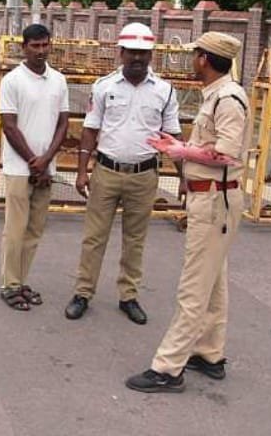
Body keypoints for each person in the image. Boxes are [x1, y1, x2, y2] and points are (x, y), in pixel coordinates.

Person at [126, 31, 249, 393]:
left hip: (215, 200)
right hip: (212, 197)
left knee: (194, 286)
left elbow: (226, 153)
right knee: (213, 282)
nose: (193, 60)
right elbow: (211, 147)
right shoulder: (218, 94)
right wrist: (181, 146)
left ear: (205, 59)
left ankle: (168, 367)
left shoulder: (227, 99)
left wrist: (182, 153)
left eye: (195, 54)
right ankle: (210, 353)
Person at [65, 22, 181, 325]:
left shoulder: (165, 92)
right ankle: (83, 293)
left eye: (144, 53)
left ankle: (128, 296)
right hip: (106, 171)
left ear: (151, 55)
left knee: (135, 239)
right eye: (132, 53)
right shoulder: (104, 86)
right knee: (94, 237)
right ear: (121, 53)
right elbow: (90, 131)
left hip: (144, 175)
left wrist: (184, 179)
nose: (138, 59)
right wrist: (81, 171)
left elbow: (172, 139)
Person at [0, 23, 70, 311]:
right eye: (35, 46)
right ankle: (10, 284)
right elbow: (9, 126)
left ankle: (21, 280)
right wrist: (33, 161)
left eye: (45, 45)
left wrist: (46, 160)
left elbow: (63, 123)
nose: (41, 51)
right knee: (15, 229)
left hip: (46, 168)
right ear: (23, 47)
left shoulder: (58, 81)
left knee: (35, 229)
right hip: (19, 168)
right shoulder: (13, 81)